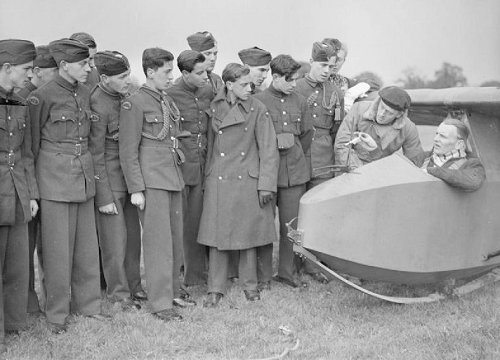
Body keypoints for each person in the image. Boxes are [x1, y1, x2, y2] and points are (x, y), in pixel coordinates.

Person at [28, 38, 108, 334]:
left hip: (83, 179)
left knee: (87, 249)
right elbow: (32, 147)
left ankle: (88, 305)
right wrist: (35, 190)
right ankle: (57, 314)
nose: (89, 68)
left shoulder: (87, 93)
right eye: (83, 63)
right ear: (63, 66)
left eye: (89, 62)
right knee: (57, 252)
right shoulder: (41, 97)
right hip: (53, 182)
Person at [199, 63, 279, 307]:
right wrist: (208, 177)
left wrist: (266, 184)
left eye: (251, 84)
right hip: (219, 178)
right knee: (217, 235)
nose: (249, 88)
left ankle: (250, 285)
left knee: (247, 234)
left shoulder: (257, 108)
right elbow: (211, 146)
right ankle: (215, 287)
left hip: (247, 178)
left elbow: (268, 148)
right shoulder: (215, 106)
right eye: (244, 84)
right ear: (229, 84)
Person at [119, 47, 187, 321]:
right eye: (167, 71)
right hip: (151, 181)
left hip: (171, 177)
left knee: (174, 240)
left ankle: (171, 292)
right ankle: (160, 303)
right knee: (158, 243)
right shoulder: (134, 103)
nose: (172, 76)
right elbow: (128, 150)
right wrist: (136, 188)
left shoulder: (165, 99)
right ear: (150, 72)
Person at [89, 50, 143, 311]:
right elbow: (95, 153)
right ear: (105, 78)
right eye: (122, 76)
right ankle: (119, 294)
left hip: (129, 179)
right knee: (114, 243)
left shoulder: (127, 96)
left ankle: (135, 286)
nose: (127, 80)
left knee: (133, 239)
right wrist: (104, 196)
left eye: (128, 74)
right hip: (109, 182)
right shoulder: (96, 103)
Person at [254, 55, 312, 289]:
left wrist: (293, 151)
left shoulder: (301, 101)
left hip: (295, 174)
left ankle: (288, 273)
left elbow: (307, 135)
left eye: (296, 79)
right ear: (275, 77)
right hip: (267, 174)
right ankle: (263, 277)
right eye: (289, 80)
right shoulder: (258, 102)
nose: (294, 84)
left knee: (294, 227)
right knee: (264, 226)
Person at [0, 39, 38, 353]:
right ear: (7, 68)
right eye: (26, 69)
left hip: (16, 192)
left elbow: (25, 155)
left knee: (16, 265)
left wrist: (31, 195)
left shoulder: (20, 102)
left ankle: (14, 324)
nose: (30, 75)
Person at [16, 45, 58, 315]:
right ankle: (28, 305)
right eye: (54, 72)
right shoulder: (25, 98)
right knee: (25, 248)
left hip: (44, 181)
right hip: (28, 182)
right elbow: (27, 149)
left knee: (44, 246)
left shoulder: (38, 95)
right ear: (38, 73)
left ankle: (40, 300)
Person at [167, 50, 213, 288]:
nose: (206, 76)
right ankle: (176, 275)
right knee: (179, 224)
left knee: (196, 222)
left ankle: (195, 276)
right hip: (180, 168)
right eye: (200, 72)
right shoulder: (170, 95)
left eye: (206, 71)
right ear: (184, 73)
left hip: (202, 165)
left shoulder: (207, 91)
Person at [334, 86, 425, 169]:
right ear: (379, 101)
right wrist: (360, 172)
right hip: (348, 169)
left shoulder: (408, 128)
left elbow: (414, 163)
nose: (381, 114)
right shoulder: (358, 109)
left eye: (389, 112)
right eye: (382, 107)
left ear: (399, 115)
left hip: (380, 173)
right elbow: (342, 145)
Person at [295, 42, 343, 189]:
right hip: (297, 159)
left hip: (323, 164)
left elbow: (337, 130)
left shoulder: (336, 93)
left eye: (331, 67)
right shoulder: (295, 88)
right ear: (311, 62)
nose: (326, 71)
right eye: (322, 65)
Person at [423, 117, 485, 191]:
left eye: (442, 136)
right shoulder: (425, 157)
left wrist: (431, 171)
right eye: (437, 134)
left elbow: (473, 181)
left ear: (459, 144)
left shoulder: (472, 164)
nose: (435, 139)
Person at [187, 31, 223, 96]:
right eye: (207, 53)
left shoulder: (216, 79)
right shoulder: (187, 83)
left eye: (215, 54)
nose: (213, 58)